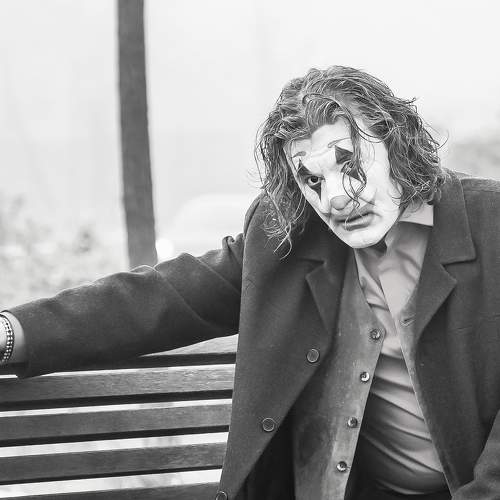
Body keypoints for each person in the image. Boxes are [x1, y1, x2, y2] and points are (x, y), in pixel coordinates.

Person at [1, 65, 499, 500]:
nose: (335, 199)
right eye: (312, 180)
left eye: (349, 163)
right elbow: (164, 297)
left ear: (395, 141)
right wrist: (11, 333)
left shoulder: (490, 221)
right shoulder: (287, 240)